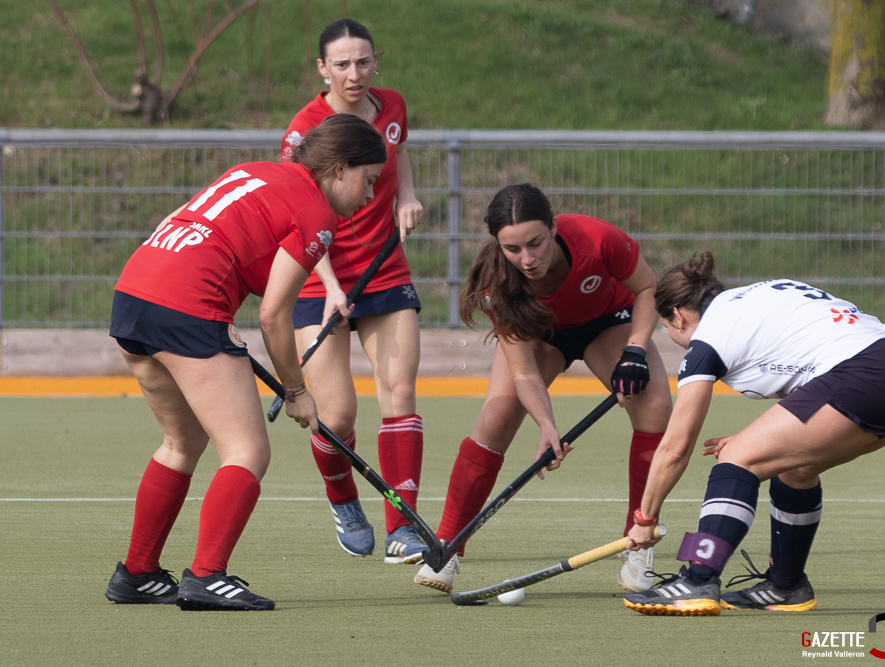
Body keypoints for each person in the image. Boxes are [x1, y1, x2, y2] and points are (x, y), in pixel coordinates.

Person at [103, 114, 387, 611]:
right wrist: (297, 392)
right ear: (340, 168)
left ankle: (137, 573)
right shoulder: (316, 211)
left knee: (181, 442)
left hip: (133, 292)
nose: (370, 194)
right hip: (188, 303)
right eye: (369, 179)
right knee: (248, 450)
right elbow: (274, 316)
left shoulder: (255, 170)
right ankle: (207, 576)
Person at [622, 252, 885, 616]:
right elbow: (809, 375)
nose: (673, 338)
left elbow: (675, 447)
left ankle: (697, 578)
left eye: (667, 329)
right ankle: (787, 585)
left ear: (677, 315)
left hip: (862, 374)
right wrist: (754, 437)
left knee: (739, 459)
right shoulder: (753, 298)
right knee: (794, 469)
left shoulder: (708, 338)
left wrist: (646, 519)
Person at [414, 183, 674, 594]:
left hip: (608, 321)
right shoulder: (497, 284)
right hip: (542, 334)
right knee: (497, 414)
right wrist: (547, 427)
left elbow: (647, 288)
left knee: (655, 404)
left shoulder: (598, 239)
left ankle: (637, 541)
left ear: (553, 228)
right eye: (513, 249)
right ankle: (446, 547)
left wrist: (636, 350)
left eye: (536, 243)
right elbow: (525, 376)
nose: (527, 259)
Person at [279, 18, 427, 565]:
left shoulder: (392, 107)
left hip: (386, 271)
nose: (354, 73)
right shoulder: (304, 131)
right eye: (341, 64)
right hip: (320, 276)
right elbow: (297, 213)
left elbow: (398, 151)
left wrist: (406, 197)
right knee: (336, 418)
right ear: (322, 69)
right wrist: (332, 284)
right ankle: (343, 501)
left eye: (363, 61)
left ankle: (403, 527)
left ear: (375, 61)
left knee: (400, 393)